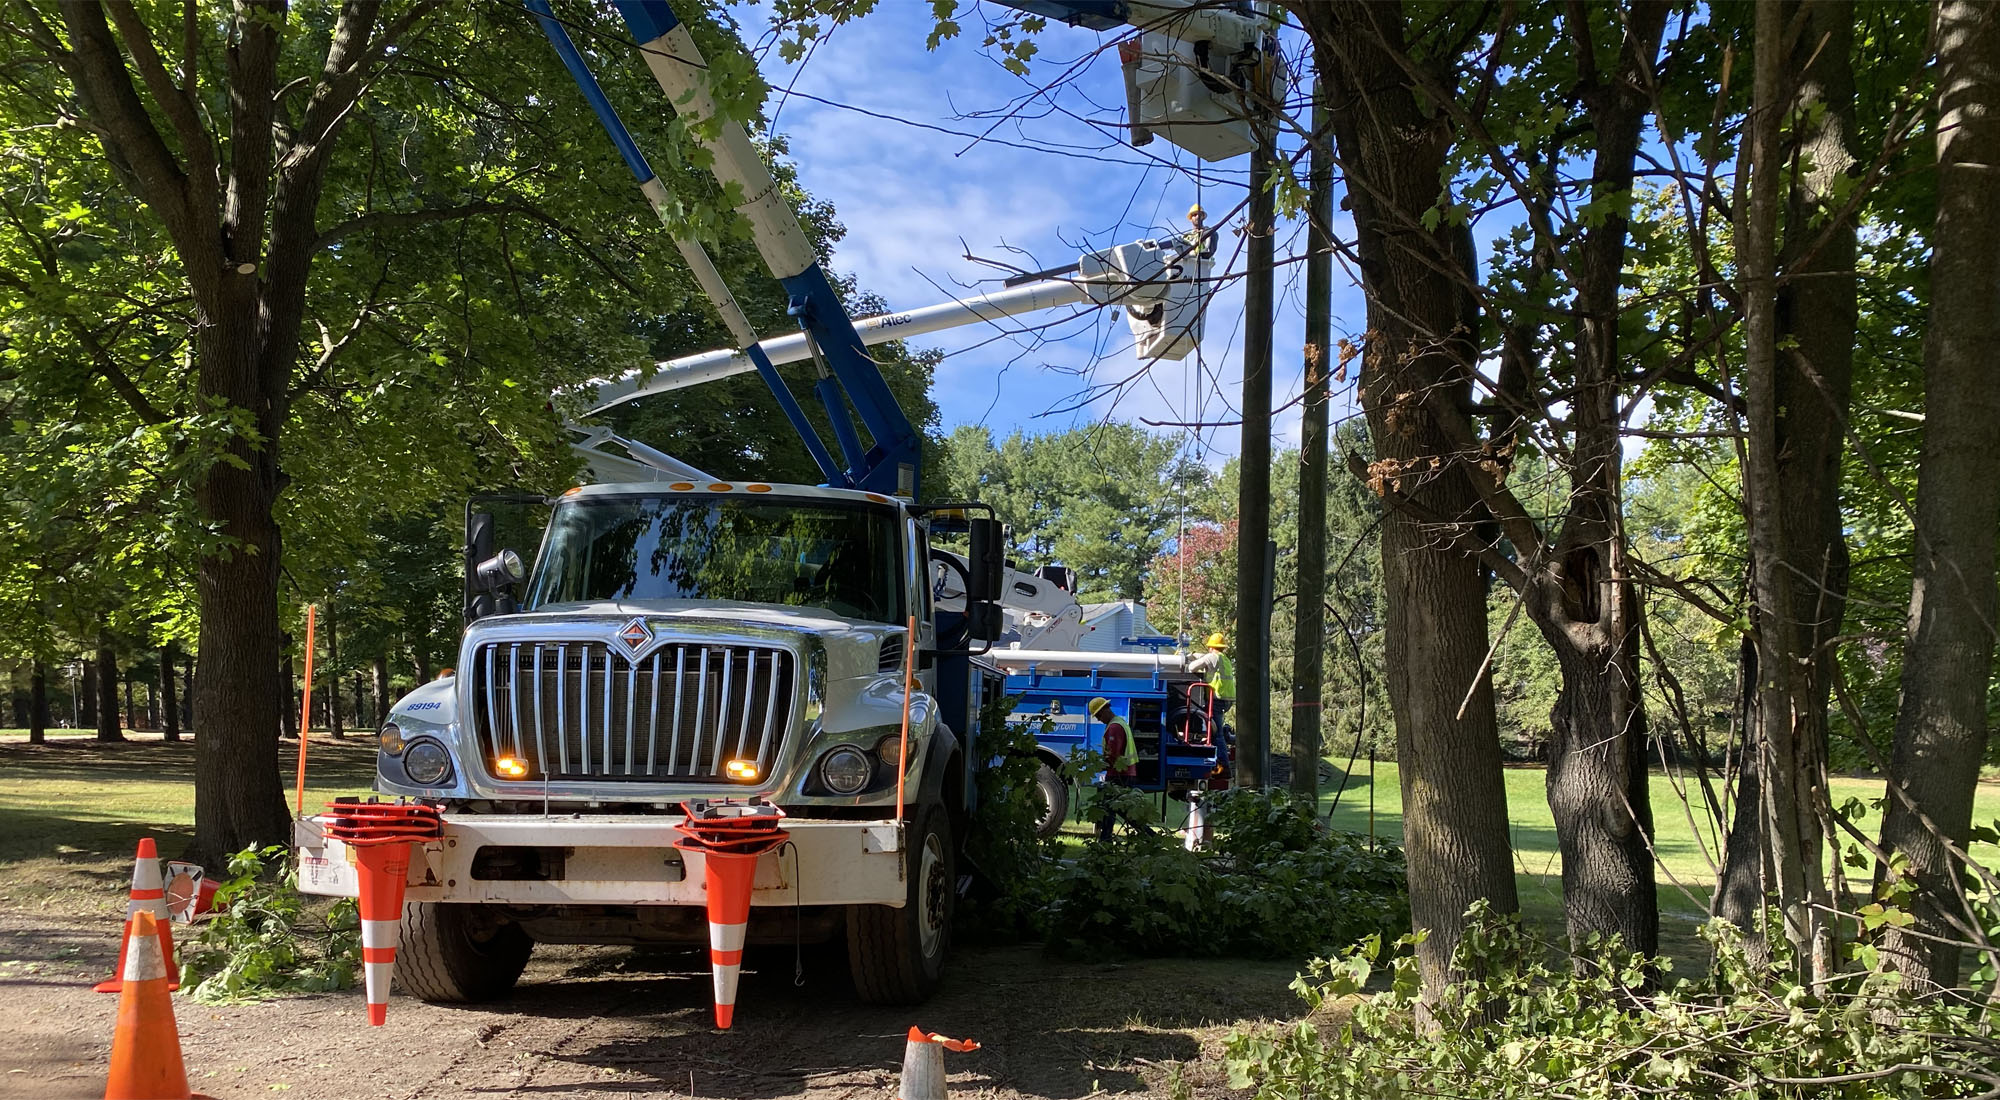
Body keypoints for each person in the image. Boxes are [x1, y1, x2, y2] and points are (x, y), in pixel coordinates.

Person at [1090, 696, 1138, 840]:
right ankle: (1105, 840)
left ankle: (1150, 837)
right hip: (1125, 773)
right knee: (1113, 809)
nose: (1099, 719)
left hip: (1119, 774)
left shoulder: (1114, 727)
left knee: (1115, 809)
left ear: (1105, 710)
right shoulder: (1119, 723)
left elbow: (1113, 755)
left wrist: (1100, 765)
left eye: (1098, 715)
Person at [1187, 631, 1235, 726]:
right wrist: (1194, 654)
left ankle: (1219, 736)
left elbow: (1191, 667)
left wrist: (1189, 658)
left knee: (1216, 730)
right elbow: (1206, 657)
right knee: (1214, 726)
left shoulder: (1211, 657)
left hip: (1217, 698)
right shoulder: (1224, 658)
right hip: (1227, 698)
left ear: (1211, 647)